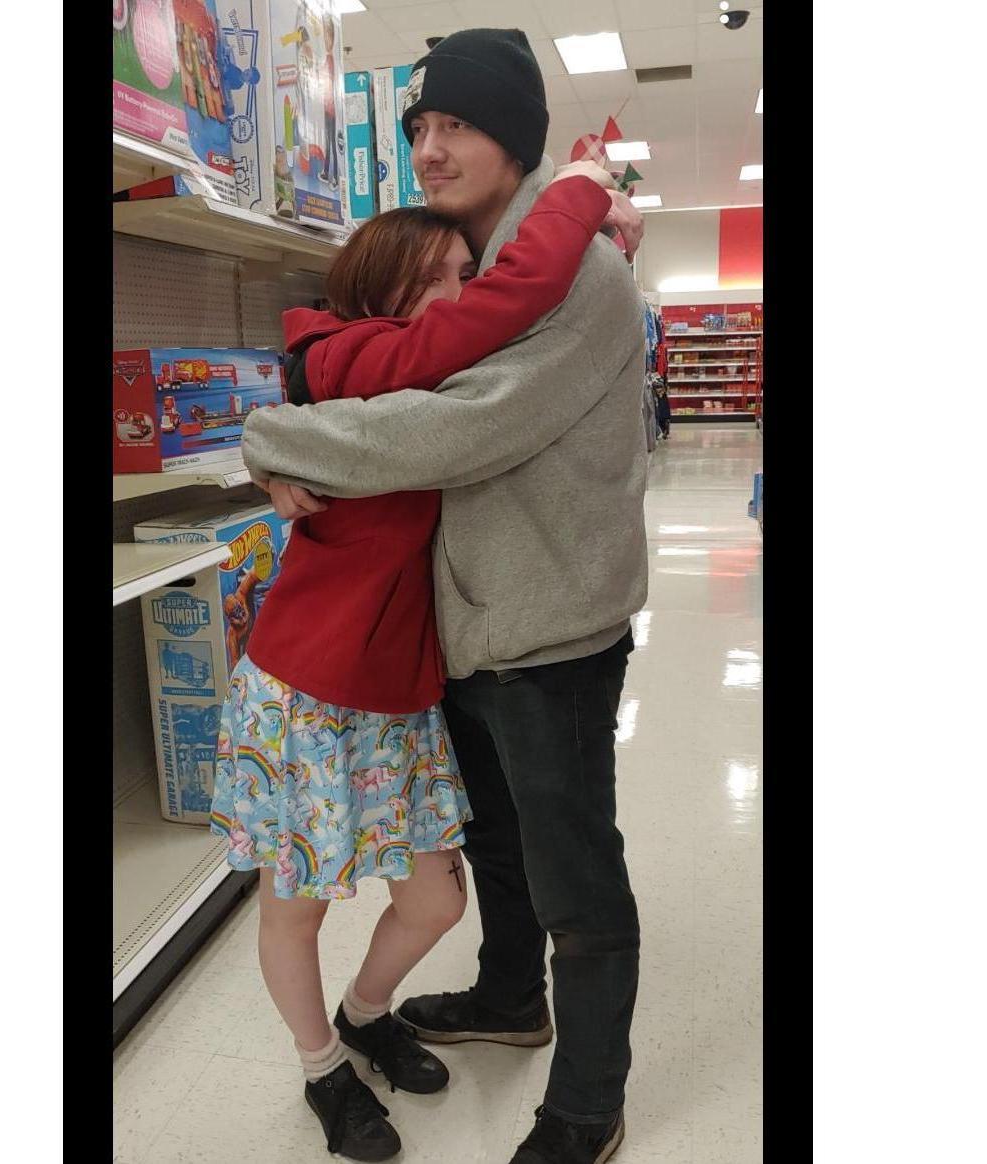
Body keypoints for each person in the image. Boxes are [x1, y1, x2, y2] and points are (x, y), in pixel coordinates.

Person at [240, 28, 649, 1164]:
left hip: (546, 628)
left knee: (575, 880)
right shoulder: (466, 262)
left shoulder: (576, 272)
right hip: (457, 635)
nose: (428, 147)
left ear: (514, 136)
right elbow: (383, 373)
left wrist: (270, 434)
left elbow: (451, 431)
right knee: (500, 854)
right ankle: (509, 998)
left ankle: (586, 1105)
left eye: (456, 123)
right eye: (418, 125)